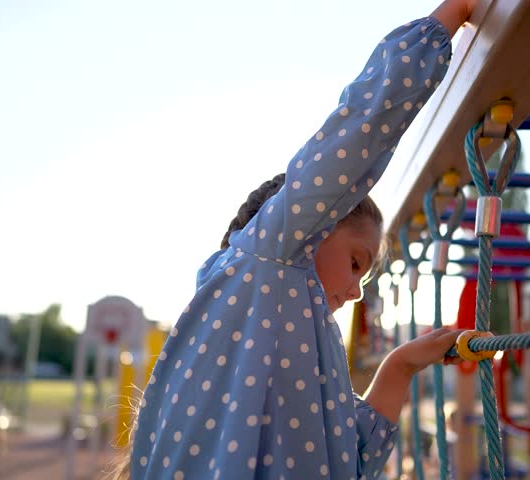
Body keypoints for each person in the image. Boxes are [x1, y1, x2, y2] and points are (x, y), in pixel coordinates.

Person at [121, 1, 475, 478]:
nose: (356, 291)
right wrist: (449, 19)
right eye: (355, 263)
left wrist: (401, 366)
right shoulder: (266, 262)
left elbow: (349, 462)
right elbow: (357, 134)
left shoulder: (295, 339)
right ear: (315, 224)